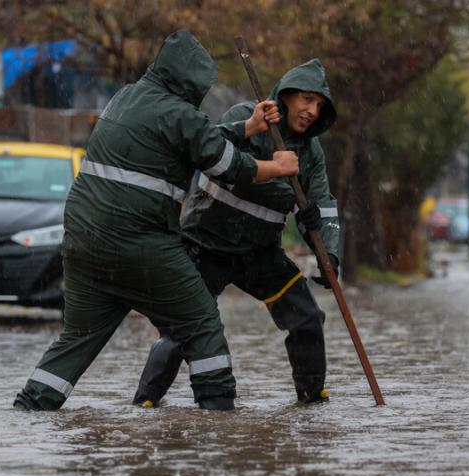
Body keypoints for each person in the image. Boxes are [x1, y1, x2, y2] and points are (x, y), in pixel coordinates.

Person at [13, 30, 298, 411]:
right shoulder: (181, 114)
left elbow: (188, 138)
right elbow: (229, 167)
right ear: (191, 81)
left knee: (78, 337)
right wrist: (277, 167)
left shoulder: (124, 97)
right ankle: (219, 417)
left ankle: (30, 409)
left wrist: (246, 127)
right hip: (140, 244)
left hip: (83, 243)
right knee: (200, 324)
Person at [133, 59, 340, 408]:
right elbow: (207, 149)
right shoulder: (247, 115)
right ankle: (145, 403)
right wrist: (253, 135)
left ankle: (312, 401)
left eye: (319, 106)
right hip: (206, 246)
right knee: (184, 329)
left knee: (307, 318)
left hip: (261, 254)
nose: (311, 111)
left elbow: (322, 206)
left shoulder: (311, 153)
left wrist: (328, 255)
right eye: (306, 100)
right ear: (286, 96)